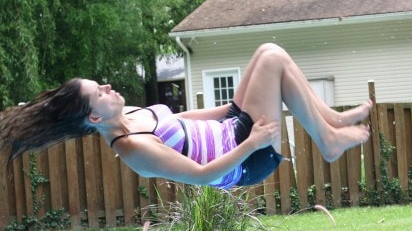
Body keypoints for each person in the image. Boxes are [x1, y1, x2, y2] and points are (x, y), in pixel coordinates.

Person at [0, 43, 372, 189]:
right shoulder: (133, 148)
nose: (108, 87)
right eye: (99, 93)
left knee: (266, 52)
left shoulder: (129, 114)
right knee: (273, 59)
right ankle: (328, 139)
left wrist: (230, 110)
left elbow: (181, 121)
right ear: (95, 118)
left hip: (234, 129)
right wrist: (253, 143)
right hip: (247, 158)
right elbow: (202, 175)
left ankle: (331, 122)